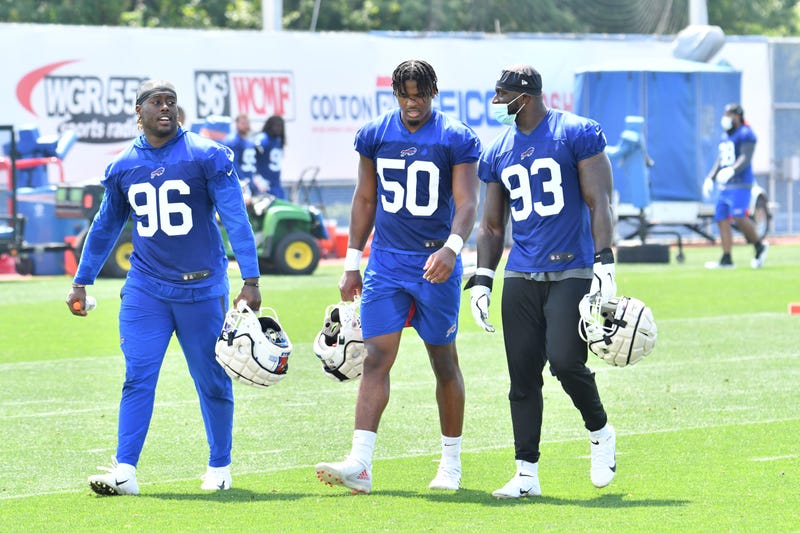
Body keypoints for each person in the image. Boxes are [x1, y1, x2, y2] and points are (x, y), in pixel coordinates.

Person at [65, 80, 262, 496]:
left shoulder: (206, 155)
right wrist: (81, 280)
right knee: (137, 376)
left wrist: (251, 278)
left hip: (202, 288)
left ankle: (220, 466)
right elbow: (104, 227)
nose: (166, 108)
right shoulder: (123, 166)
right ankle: (125, 471)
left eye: (171, 101)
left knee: (211, 379)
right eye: (156, 102)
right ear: (139, 111)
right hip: (146, 289)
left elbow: (235, 217)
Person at [315, 59, 481, 494]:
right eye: (405, 95)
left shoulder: (455, 136)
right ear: (395, 94)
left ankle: (450, 463)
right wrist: (352, 260)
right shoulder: (375, 134)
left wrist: (453, 247)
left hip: (436, 262)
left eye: (420, 95)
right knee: (375, 358)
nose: (413, 103)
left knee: (443, 361)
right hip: (387, 261)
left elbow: (467, 203)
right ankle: (361, 463)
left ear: (433, 93)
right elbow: (365, 198)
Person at [467, 64, 618, 499]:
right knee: (522, 376)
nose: (498, 104)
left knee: (566, 361)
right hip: (522, 271)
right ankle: (526, 474)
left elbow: (598, 200)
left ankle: (600, 431)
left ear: (525, 96)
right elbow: (492, 226)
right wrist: (482, 278)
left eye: (503, 96)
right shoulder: (498, 151)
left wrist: (604, 261)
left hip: (572, 265)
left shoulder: (575, 132)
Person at [703, 103, 768, 269]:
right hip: (725, 185)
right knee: (721, 218)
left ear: (737, 116)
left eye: (728, 114)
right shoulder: (725, 135)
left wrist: (732, 170)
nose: (725, 118)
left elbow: (745, 157)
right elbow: (721, 159)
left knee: (739, 217)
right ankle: (726, 258)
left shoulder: (746, 133)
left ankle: (759, 246)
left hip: (741, 183)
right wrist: (710, 177)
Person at [223, 113, 258, 199]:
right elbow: (233, 164)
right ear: (237, 124)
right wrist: (242, 179)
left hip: (250, 179)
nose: (246, 126)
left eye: (247, 123)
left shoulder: (250, 140)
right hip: (240, 181)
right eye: (243, 123)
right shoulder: (233, 141)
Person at [253, 115, 287, 199]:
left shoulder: (278, 140)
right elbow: (252, 156)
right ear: (270, 126)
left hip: (276, 184)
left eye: (281, 126)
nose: (279, 128)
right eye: (277, 126)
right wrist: (257, 177)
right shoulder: (263, 138)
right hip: (264, 184)